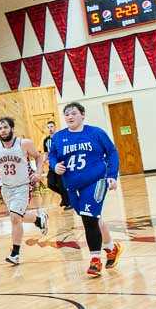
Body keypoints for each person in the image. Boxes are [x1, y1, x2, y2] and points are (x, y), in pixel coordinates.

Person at [49, 102, 123, 276]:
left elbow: (112, 152)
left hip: (96, 180)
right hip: (72, 185)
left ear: (82, 115)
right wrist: (54, 166)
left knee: (89, 218)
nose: (70, 116)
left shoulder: (95, 133)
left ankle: (95, 259)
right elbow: (52, 155)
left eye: (74, 113)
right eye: (66, 114)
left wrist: (112, 174)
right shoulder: (59, 137)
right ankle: (112, 248)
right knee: (93, 218)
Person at [0, 117, 50, 265]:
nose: (3, 130)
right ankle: (39, 219)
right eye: (0, 128)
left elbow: (39, 157)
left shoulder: (24, 143)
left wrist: (39, 172)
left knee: (14, 217)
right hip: (6, 187)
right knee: (18, 216)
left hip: (23, 185)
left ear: (12, 129)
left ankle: (15, 254)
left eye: (5, 127)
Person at [43, 120, 71, 210]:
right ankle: (67, 198)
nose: (50, 129)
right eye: (48, 127)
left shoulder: (60, 137)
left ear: (55, 127)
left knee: (61, 184)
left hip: (60, 164)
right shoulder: (46, 140)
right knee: (50, 184)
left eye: (51, 127)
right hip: (52, 165)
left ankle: (67, 202)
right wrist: (43, 161)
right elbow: (46, 153)